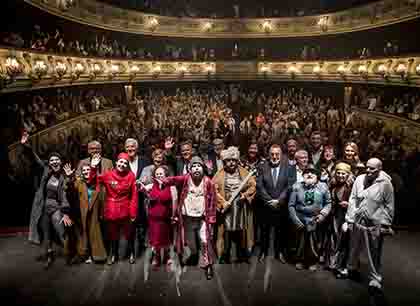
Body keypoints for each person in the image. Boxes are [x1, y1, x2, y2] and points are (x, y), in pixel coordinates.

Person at [343, 158, 394, 298]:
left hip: (374, 223)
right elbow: (353, 199)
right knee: (354, 247)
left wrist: (385, 224)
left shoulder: (386, 184)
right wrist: (350, 219)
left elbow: (389, 206)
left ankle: (375, 279)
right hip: (358, 220)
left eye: (372, 169)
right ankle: (351, 268)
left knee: (373, 252)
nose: (368, 170)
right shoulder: (359, 179)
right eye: (367, 167)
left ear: (379, 169)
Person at [21, 131, 73, 269]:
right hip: (43, 207)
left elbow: (67, 193)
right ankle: (49, 255)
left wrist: (65, 212)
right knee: (46, 233)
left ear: (60, 162)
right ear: (49, 163)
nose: (54, 162)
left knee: (60, 229)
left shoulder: (63, 176)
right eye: (52, 160)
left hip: (56, 208)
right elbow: (34, 158)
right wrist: (26, 146)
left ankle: (68, 252)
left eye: (57, 160)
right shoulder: (45, 171)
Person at [161, 156, 217, 280]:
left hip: (203, 215)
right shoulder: (186, 178)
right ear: (189, 169)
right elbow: (174, 179)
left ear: (203, 168)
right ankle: (194, 253)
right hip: (187, 215)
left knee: (205, 239)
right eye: (194, 167)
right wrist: (164, 181)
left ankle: (208, 264)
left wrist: (212, 217)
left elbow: (213, 200)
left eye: (199, 166)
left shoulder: (208, 182)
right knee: (190, 239)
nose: (196, 169)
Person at [88, 153, 138, 265]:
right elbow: (92, 181)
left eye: (125, 163)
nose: (122, 164)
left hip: (126, 209)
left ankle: (131, 253)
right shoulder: (108, 175)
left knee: (129, 234)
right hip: (111, 209)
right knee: (113, 234)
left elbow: (134, 196)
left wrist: (133, 213)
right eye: (121, 162)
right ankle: (113, 254)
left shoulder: (131, 176)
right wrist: (93, 167)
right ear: (116, 162)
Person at [213, 146, 256, 263]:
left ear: (237, 161)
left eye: (233, 160)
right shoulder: (219, 174)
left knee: (241, 231)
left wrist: (246, 195)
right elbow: (214, 191)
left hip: (240, 208)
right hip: (226, 208)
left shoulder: (244, 172)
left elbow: (253, 185)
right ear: (224, 162)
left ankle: (241, 254)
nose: (231, 163)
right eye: (228, 160)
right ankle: (225, 255)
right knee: (226, 233)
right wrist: (222, 202)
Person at [288, 164, 332, 271]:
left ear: (317, 175)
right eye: (307, 172)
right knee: (300, 241)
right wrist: (295, 219)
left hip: (315, 219)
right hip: (300, 219)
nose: (309, 174)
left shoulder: (323, 187)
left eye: (312, 172)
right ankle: (300, 260)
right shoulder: (297, 186)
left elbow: (328, 203)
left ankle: (313, 261)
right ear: (303, 175)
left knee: (314, 242)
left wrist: (322, 215)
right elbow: (291, 205)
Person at [257, 144, 295, 263]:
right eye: (272, 154)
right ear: (269, 155)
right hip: (265, 206)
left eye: (277, 154)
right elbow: (260, 186)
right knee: (264, 231)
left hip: (281, 205)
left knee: (280, 231)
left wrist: (279, 200)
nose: (274, 156)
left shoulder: (288, 167)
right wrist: (269, 200)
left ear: (281, 155)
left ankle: (279, 253)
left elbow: (289, 186)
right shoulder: (262, 166)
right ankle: (263, 252)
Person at [63, 162, 107, 263]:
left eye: (88, 170)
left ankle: (96, 255)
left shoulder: (97, 183)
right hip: (82, 213)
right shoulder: (79, 182)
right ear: (81, 173)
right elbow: (69, 191)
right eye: (84, 170)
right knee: (83, 234)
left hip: (94, 213)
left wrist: (102, 213)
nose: (86, 172)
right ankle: (84, 255)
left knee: (95, 234)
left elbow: (102, 198)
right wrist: (69, 178)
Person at [140, 166, 177, 270]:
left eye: (161, 173)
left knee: (166, 239)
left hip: (166, 218)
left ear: (166, 175)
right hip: (154, 218)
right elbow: (147, 195)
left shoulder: (171, 186)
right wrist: (143, 189)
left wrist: (174, 215)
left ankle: (167, 256)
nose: (159, 175)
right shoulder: (151, 185)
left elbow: (175, 201)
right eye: (157, 174)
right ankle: (156, 257)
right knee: (155, 239)